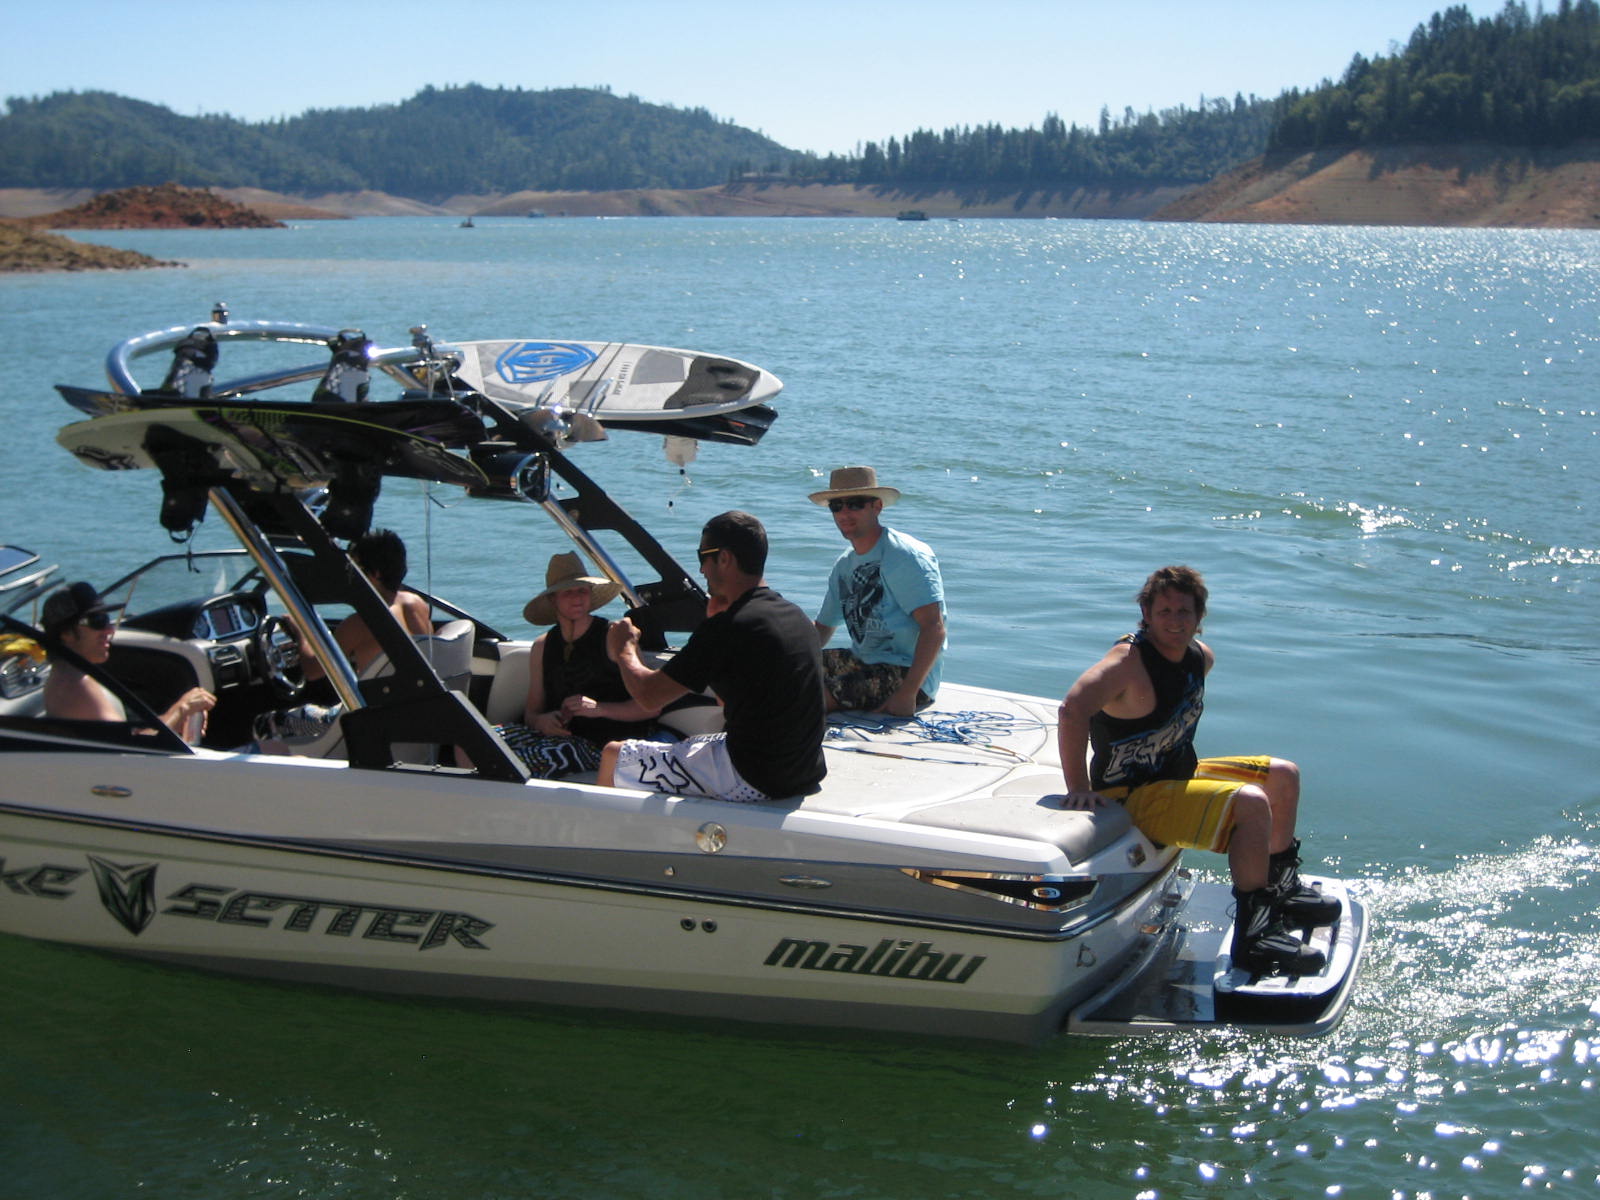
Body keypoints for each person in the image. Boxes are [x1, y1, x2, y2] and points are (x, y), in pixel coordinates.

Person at [1056, 565, 1339, 976]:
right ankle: (1255, 937)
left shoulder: (1200, 658)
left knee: (1283, 775)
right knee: (1250, 803)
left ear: (1200, 616)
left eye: (1184, 611)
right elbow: (1072, 709)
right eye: (1164, 611)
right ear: (1146, 614)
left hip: (1176, 779)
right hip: (1131, 796)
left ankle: (1281, 889)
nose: (1175, 621)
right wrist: (1078, 786)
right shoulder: (1127, 663)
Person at [599, 510, 827, 803]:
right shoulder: (795, 616)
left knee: (613, 756)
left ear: (725, 559)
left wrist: (624, 649)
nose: (701, 569)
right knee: (693, 743)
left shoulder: (730, 626)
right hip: (802, 773)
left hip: (751, 776)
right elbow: (726, 703)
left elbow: (648, 696)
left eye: (703, 557)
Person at [486, 552, 659, 778]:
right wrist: (542, 722)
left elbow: (651, 705)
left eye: (582, 591)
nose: (576, 598)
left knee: (528, 761)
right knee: (477, 740)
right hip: (554, 739)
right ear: (552, 600)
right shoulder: (542, 646)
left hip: (602, 744)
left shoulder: (614, 636)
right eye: (568, 592)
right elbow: (531, 714)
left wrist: (599, 709)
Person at [809, 465, 946, 717]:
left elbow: (933, 627)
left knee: (809, 700)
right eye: (836, 506)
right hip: (862, 661)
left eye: (855, 504)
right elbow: (823, 627)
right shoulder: (844, 565)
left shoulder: (905, 556)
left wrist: (908, 693)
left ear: (877, 506)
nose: (844, 513)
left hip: (906, 673)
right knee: (785, 669)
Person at [41, 580, 215, 742]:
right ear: (66, 633)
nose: (109, 630)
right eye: (97, 621)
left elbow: (124, 740)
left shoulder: (68, 675)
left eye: (107, 619)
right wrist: (182, 708)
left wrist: (178, 717)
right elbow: (131, 750)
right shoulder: (76, 684)